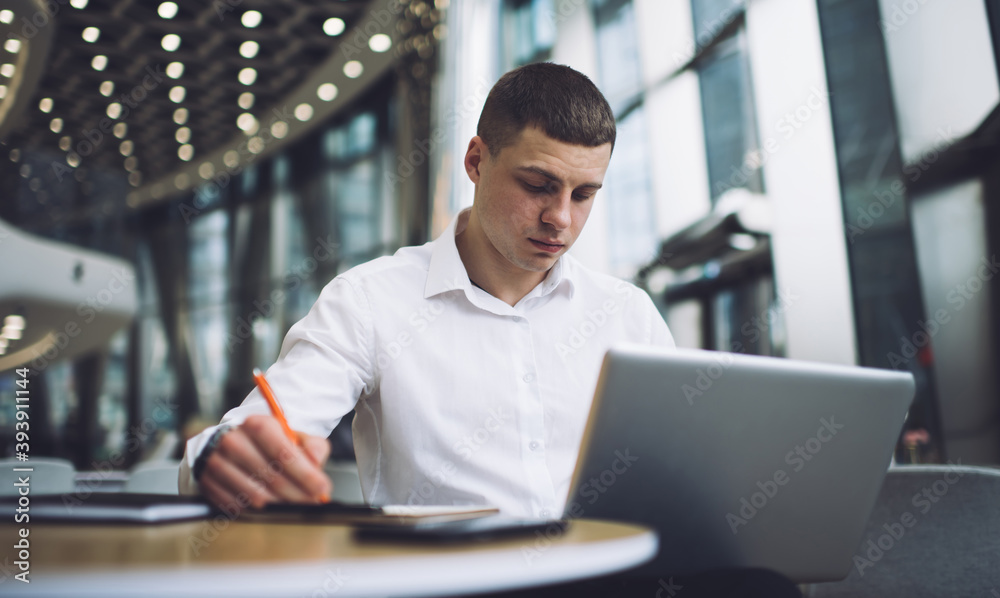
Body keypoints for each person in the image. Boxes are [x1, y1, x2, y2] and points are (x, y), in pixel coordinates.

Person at [179, 62, 801, 598]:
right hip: (453, 583)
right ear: (477, 161)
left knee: (766, 586)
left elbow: (686, 478)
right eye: (538, 185)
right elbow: (246, 435)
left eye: (584, 195)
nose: (560, 218)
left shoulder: (626, 313)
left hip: (608, 577)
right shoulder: (371, 301)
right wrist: (219, 457)